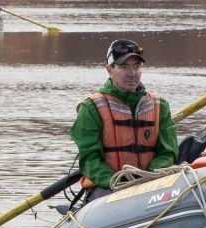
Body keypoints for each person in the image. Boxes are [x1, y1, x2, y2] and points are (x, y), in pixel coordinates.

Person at [70, 39, 178, 204]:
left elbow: (168, 152)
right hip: (107, 186)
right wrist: (118, 182)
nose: (132, 73)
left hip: (151, 183)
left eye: (136, 66)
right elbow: (90, 160)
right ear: (109, 69)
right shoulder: (91, 108)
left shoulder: (159, 105)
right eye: (124, 67)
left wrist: (147, 178)